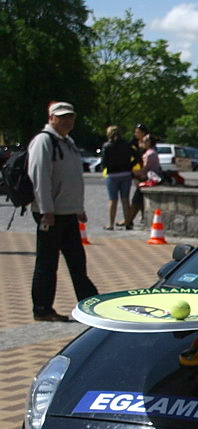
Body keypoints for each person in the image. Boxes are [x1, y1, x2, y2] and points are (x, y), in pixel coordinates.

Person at [28, 101, 98, 322]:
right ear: (51, 118)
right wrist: (47, 210)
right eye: (62, 117)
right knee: (47, 263)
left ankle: (89, 302)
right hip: (50, 213)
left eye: (70, 117)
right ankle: (42, 308)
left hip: (67, 212)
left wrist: (79, 208)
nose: (67, 120)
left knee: (77, 260)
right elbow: (40, 177)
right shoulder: (44, 141)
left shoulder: (68, 142)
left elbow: (73, 178)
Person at [99, 125, 133, 230]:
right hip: (126, 173)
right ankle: (128, 223)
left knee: (112, 200)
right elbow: (135, 156)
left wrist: (105, 167)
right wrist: (130, 165)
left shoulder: (107, 146)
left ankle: (110, 224)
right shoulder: (126, 144)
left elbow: (104, 162)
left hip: (112, 175)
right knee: (125, 199)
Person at [130, 135, 162, 225]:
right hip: (149, 177)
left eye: (143, 142)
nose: (141, 143)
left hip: (149, 179)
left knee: (136, 200)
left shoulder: (149, 154)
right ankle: (132, 218)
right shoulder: (152, 152)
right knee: (139, 200)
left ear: (148, 143)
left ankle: (129, 219)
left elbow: (145, 169)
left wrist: (133, 173)